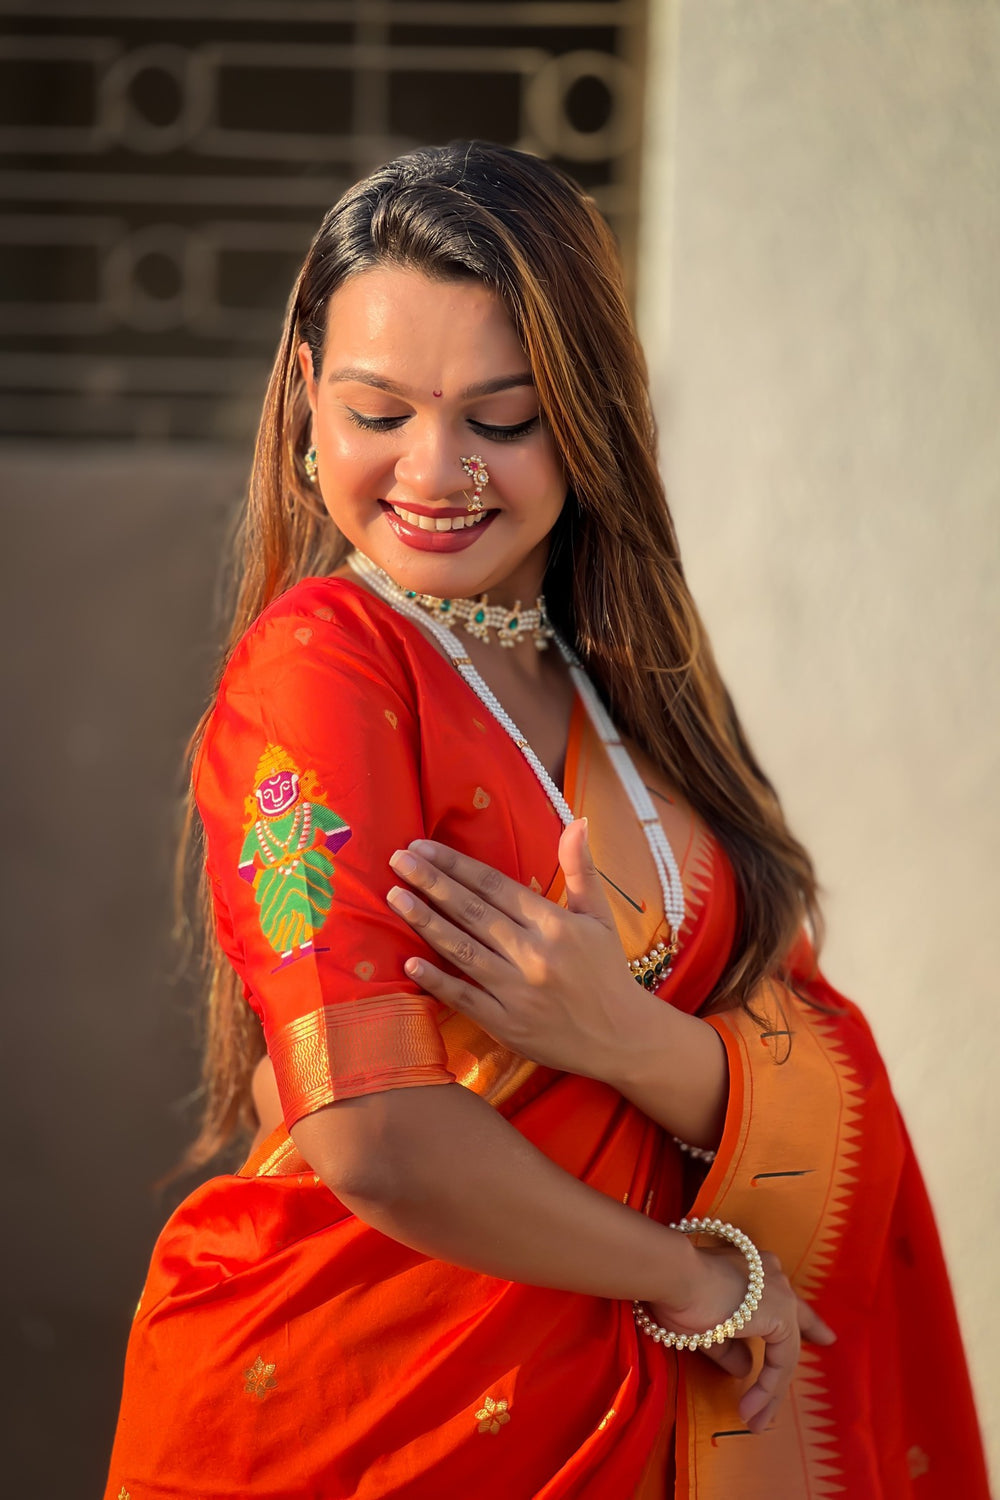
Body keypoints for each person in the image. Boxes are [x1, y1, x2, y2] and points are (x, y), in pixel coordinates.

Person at [104, 141, 988, 1499]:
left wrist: (622, 1038)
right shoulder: (327, 661)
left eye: (501, 419)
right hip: (370, 1411)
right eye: (377, 412)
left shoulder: (617, 682)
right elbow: (371, 1132)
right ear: (302, 401)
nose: (435, 470)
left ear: (587, 415)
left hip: (631, 1408)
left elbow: (798, 1032)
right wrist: (691, 1275)